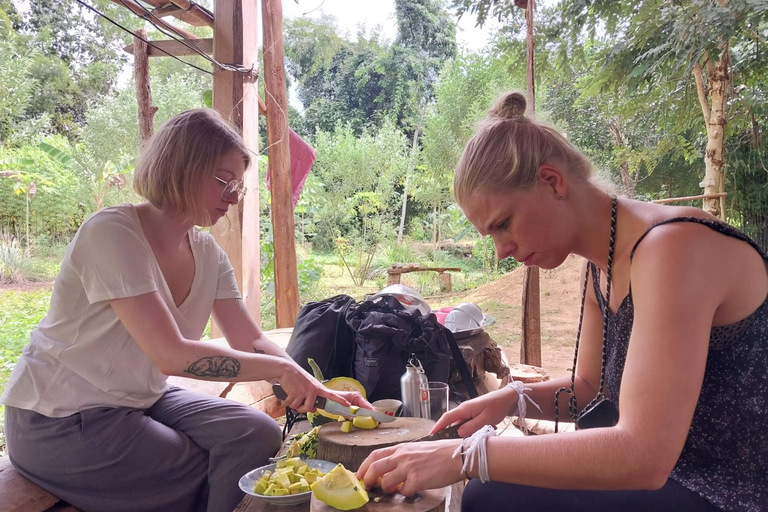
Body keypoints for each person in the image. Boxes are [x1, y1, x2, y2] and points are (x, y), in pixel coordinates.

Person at [356, 92, 767, 512]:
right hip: (672, 477)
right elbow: (589, 390)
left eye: (503, 224)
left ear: (553, 181)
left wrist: (467, 456)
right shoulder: (602, 262)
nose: (500, 250)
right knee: (491, 493)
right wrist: (511, 398)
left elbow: (643, 454)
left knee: (489, 495)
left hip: (725, 490)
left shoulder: (672, 247)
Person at [1, 109, 370, 512]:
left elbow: (251, 339)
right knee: (201, 466)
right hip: (60, 417)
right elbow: (170, 354)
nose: (232, 196)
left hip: (142, 399)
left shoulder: (208, 253)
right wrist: (282, 372)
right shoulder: (112, 233)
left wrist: (314, 388)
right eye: (222, 181)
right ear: (180, 169)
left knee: (256, 434)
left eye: (238, 186)